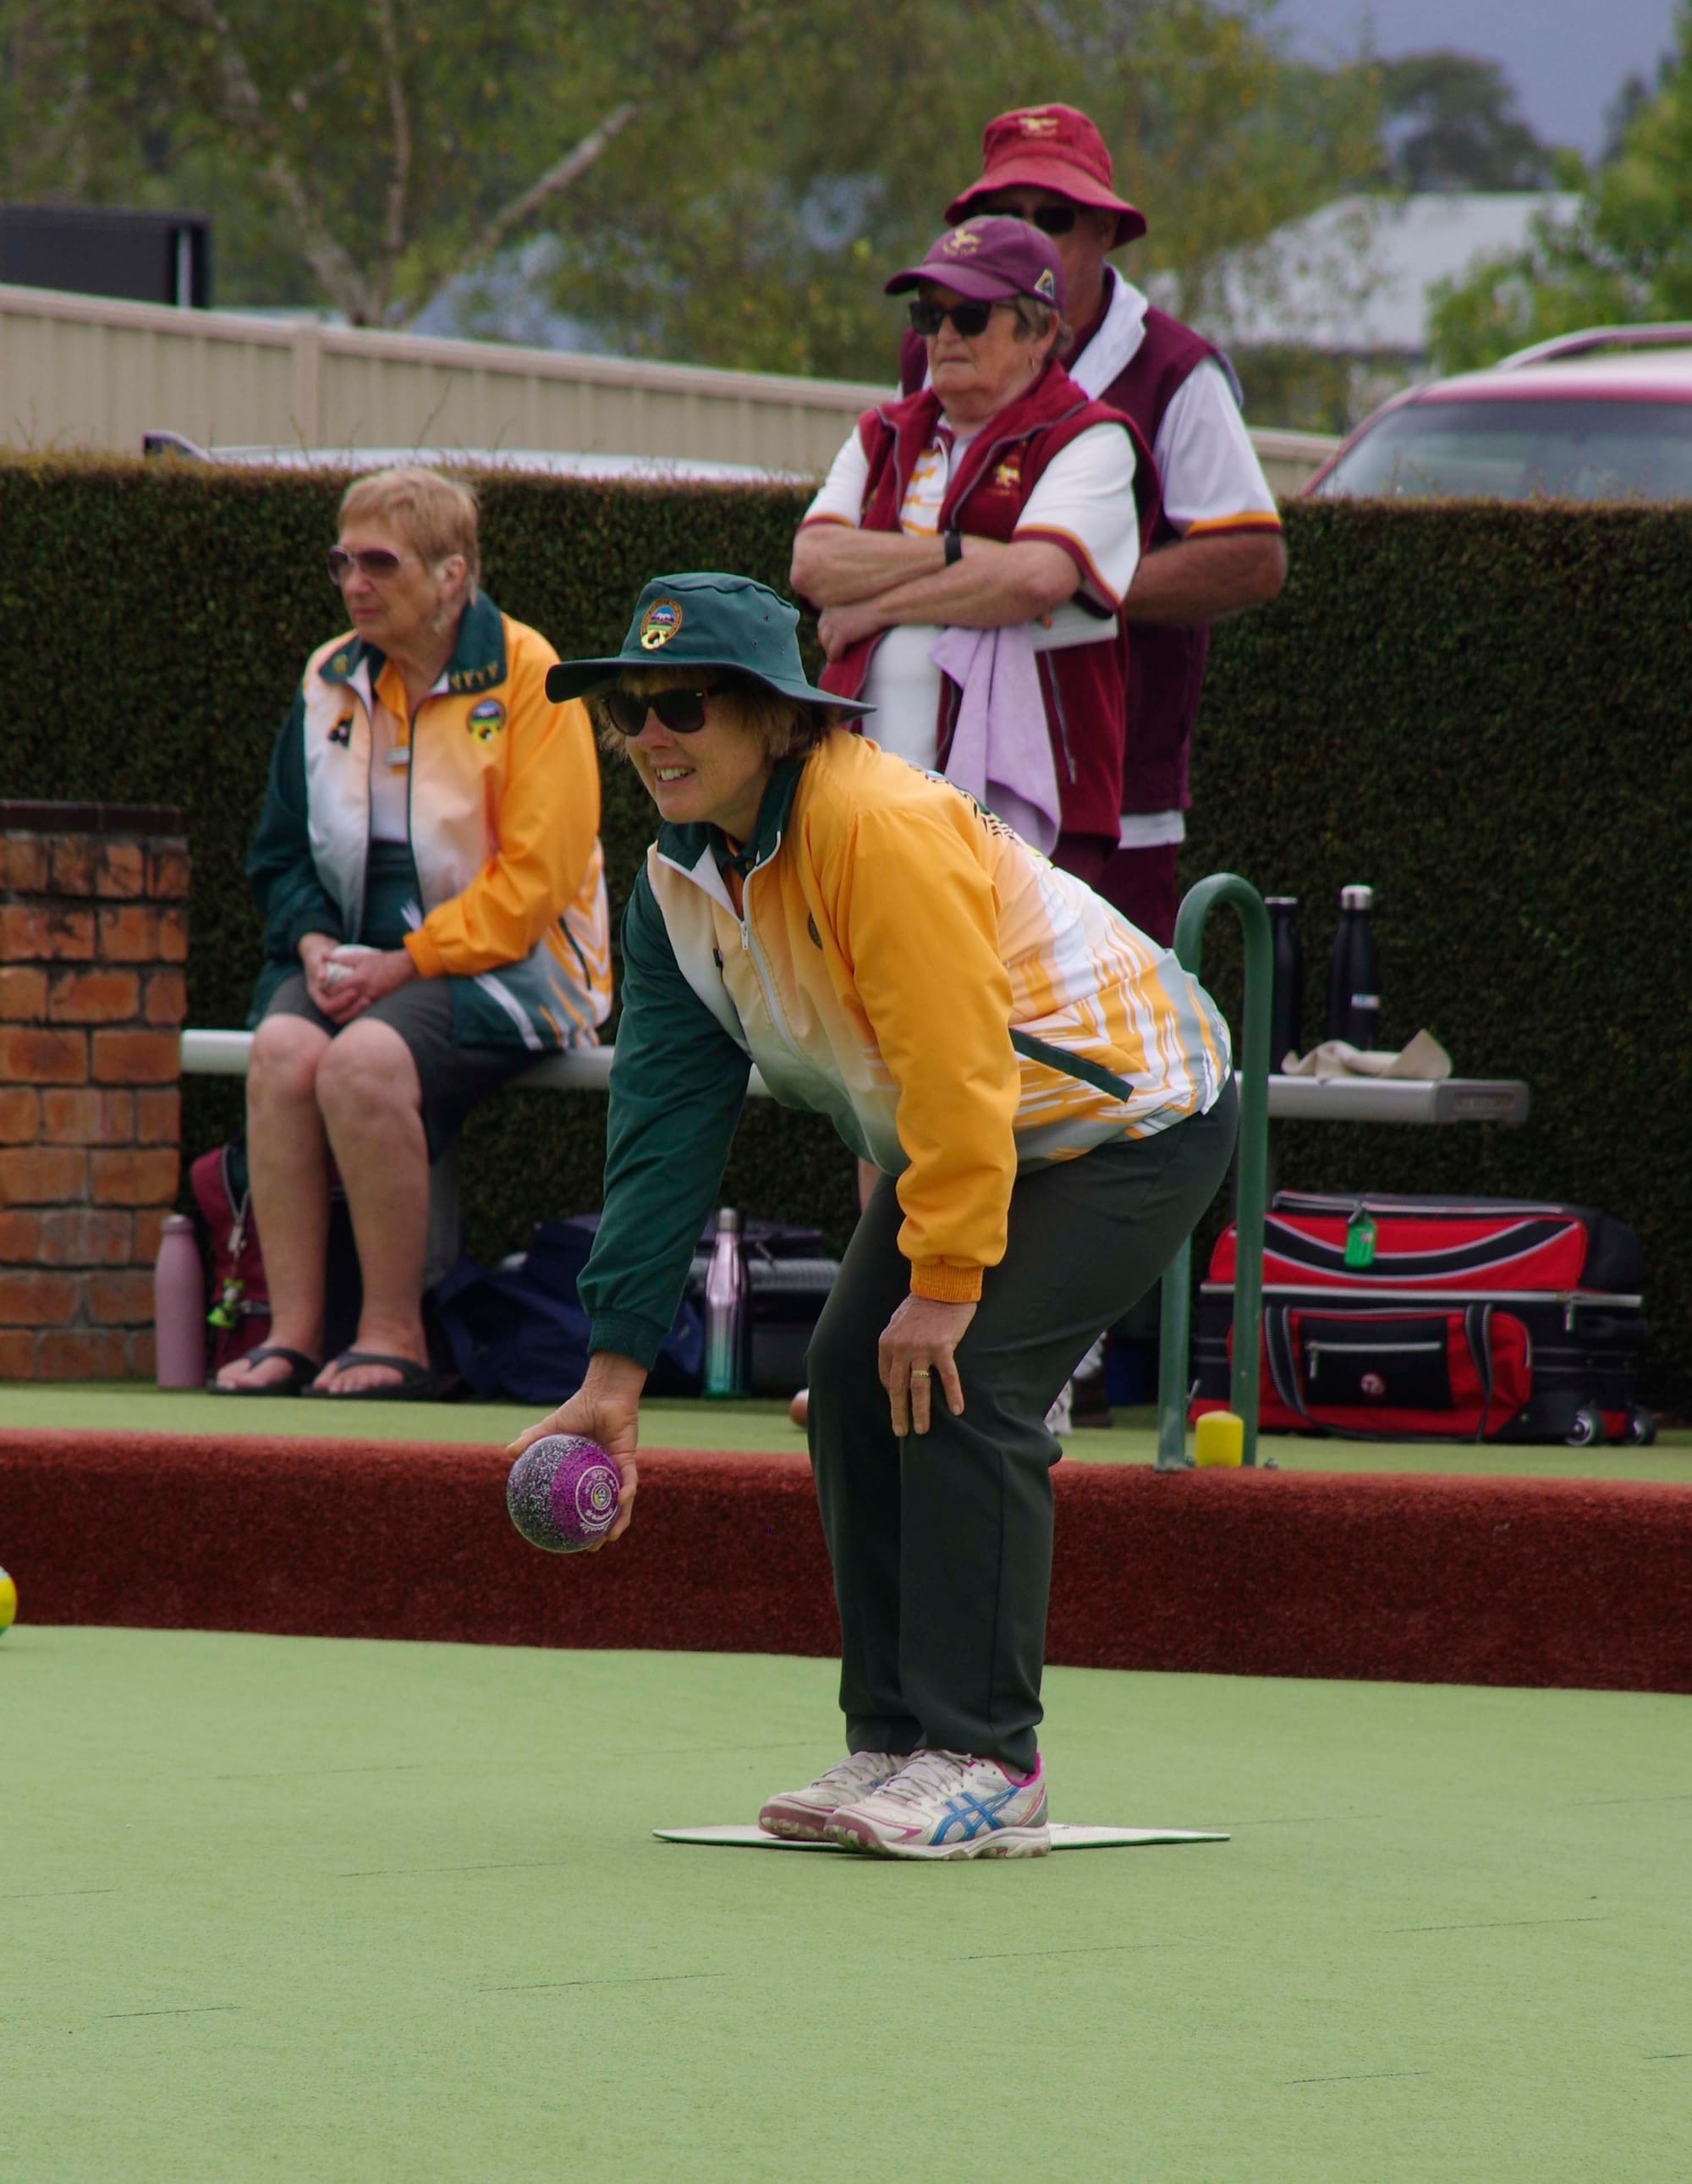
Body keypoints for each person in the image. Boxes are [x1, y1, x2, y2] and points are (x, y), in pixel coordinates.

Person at [512, 571, 1238, 1859]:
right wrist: (613, 1371)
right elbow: (665, 1126)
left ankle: (991, 1755)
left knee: (959, 1374)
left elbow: (959, 1062)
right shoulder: (681, 879)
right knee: (852, 1373)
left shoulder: (874, 824)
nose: (649, 736)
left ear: (781, 720)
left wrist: (947, 1284)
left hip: (1137, 1120)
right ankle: (896, 1740)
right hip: (981, 1137)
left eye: (682, 704)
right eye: (629, 710)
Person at [214, 466, 612, 1399]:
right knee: (277, 1051)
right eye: (341, 561)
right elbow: (280, 855)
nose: (354, 582)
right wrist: (313, 945)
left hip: (526, 960)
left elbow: (537, 882)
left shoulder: (528, 672)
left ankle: (394, 1336)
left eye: (379, 562)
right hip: (357, 961)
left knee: (362, 1065)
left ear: (449, 575)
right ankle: (295, 1334)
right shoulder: (327, 675)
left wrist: (403, 965)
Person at [904, 103, 1287, 945]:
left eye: (1055, 218)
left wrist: (1072, 584)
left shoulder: (1172, 369)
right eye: (1004, 216)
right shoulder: (935, 347)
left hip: (1112, 804)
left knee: (1100, 1064)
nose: (1029, 236)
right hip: (938, 779)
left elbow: (1253, 557)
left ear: (1105, 235)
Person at [792, 213, 1153, 885]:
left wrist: (875, 609)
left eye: (972, 315)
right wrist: (958, 552)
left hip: (1028, 833)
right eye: (930, 315)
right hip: (864, 820)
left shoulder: (1093, 439)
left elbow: (1033, 579)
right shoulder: (882, 432)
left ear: (1041, 331)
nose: (946, 335)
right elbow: (812, 565)